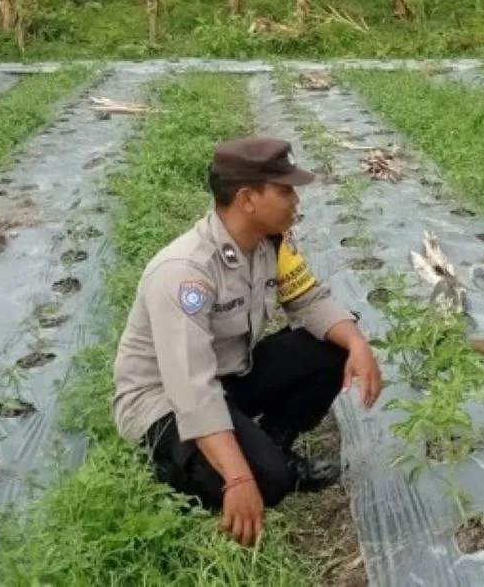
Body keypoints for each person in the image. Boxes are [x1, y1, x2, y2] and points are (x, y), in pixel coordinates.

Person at [112, 137, 383, 547]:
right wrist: (239, 477)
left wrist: (358, 343)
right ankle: (169, 464)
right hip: (164, 400)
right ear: (247, 199)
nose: (295, 200)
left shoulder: (267, 244)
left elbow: (310, 301)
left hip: (228, 377)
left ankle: (271, 443)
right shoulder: (186, 273)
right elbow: (191, 389)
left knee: (330, 347)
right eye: (284, 190)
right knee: (267, 482)